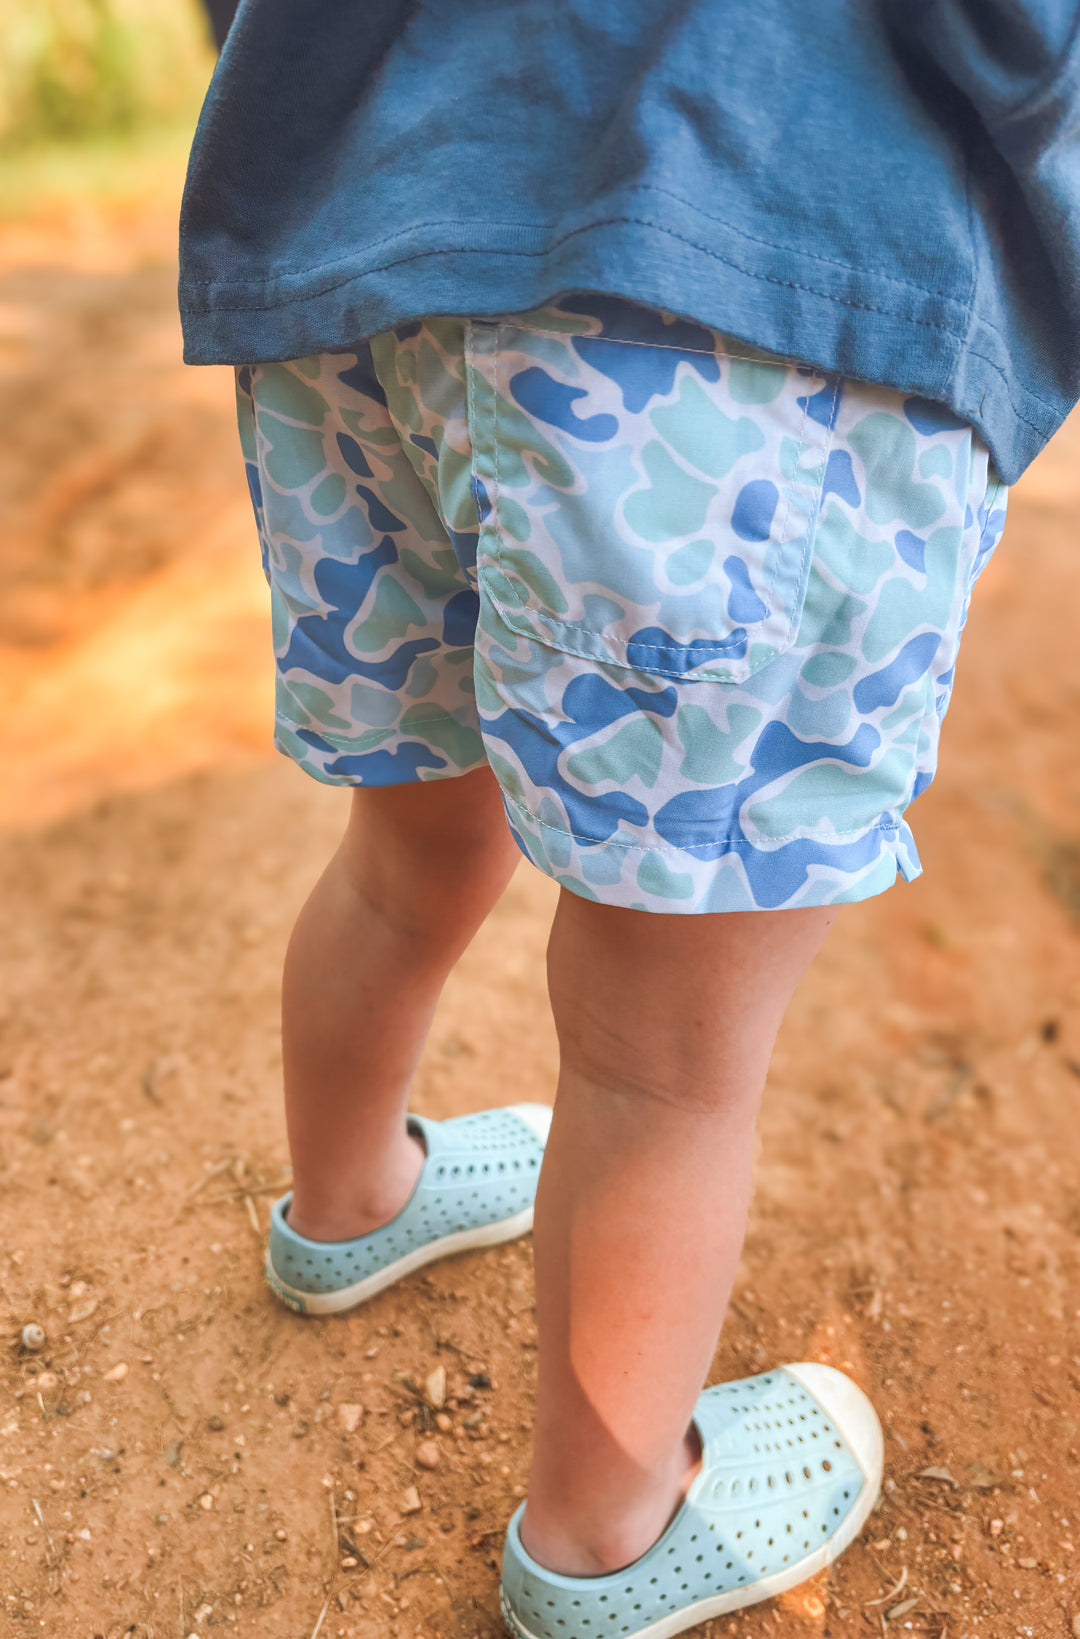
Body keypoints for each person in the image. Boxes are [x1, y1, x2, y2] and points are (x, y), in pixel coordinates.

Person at [178, 4, 1079, 1634]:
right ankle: (603, 1533)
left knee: (406, 846)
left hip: (353, 272)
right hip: (740, 278)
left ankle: (347, 1203)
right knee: (662, 1044)